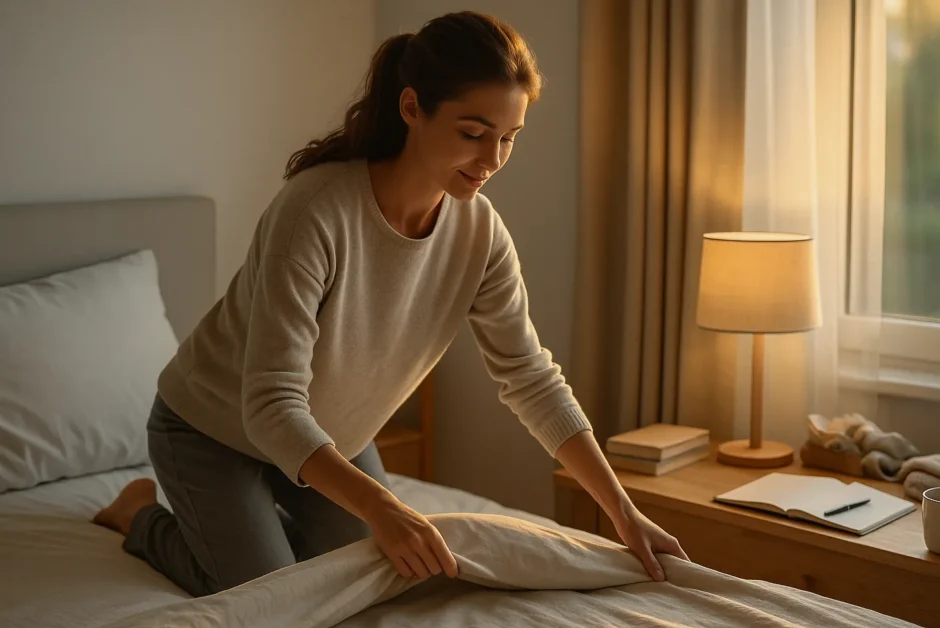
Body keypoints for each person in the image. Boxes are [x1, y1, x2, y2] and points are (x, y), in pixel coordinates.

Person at [93, 10, 688, 597]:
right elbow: (271, 406)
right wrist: (381, 507)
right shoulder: (315, 213)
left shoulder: (480, 234)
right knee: (272, 597)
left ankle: (255, 528)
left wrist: (621, 510)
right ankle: (138, 515)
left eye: (509, 138)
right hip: (211, 430)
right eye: (473, 133)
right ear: (411, 109)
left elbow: (530, 376)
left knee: (368, 583)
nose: (492, 160)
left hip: (327, 440)